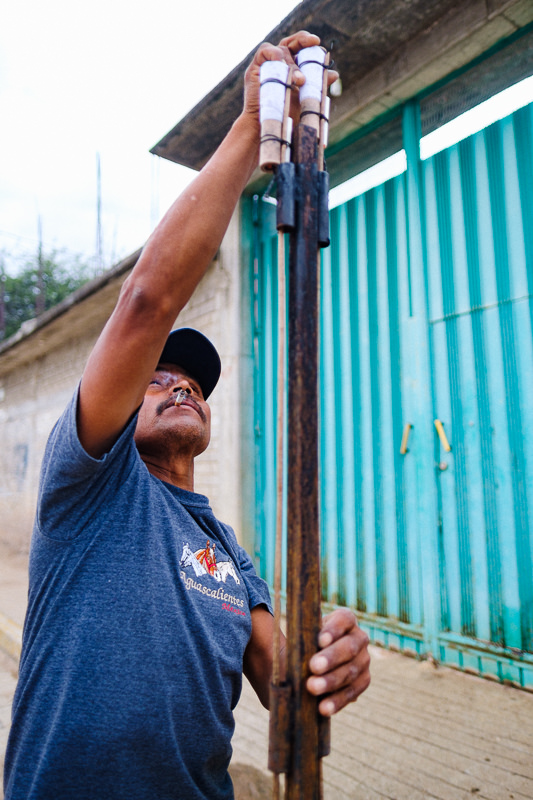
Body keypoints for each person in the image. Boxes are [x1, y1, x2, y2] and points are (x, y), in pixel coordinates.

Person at [4, 31, 370, 800]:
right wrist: (251, 133)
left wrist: (330, 659)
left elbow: (282, 681)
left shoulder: (231, 558)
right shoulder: (86, 486)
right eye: (156, 378)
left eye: (194, 383)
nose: (180, 387)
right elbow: (146, 301)